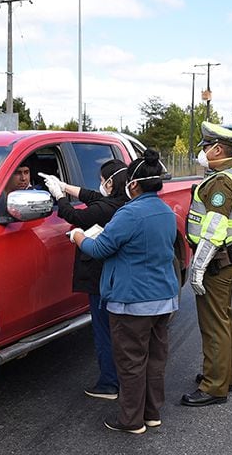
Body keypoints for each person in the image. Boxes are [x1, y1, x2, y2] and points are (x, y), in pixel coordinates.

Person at [68, 149, 178, 434]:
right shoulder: (165, 211)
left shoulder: (129, 214)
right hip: (163, 299)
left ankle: (131, 420)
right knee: (155, 361)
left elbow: (100, 248)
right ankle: (151, 413)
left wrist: (78, 236)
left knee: (130, 362)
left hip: (132, 301)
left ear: (134, 184)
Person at [42, 160, 130, 400]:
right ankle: (124, 379)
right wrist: (66, 186)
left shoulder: (107, 208)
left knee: (103, 330)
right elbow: (92, 197)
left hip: (100, 278)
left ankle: (109, 383)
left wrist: (59, 197)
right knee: (119, 330)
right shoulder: (124, 201)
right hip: (118, 277)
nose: (99, 185)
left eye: (102, 181)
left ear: (110, 183)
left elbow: (75, 216)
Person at [182, 123, 232, 408]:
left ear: (217, 149)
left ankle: (214, 387)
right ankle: (222, 376)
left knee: (213, 324)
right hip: (227, 258)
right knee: (223, 320)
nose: (201, 152)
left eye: (204, 147)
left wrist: (197, 268)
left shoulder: (221, 182)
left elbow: (214, 229)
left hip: (216, 261)